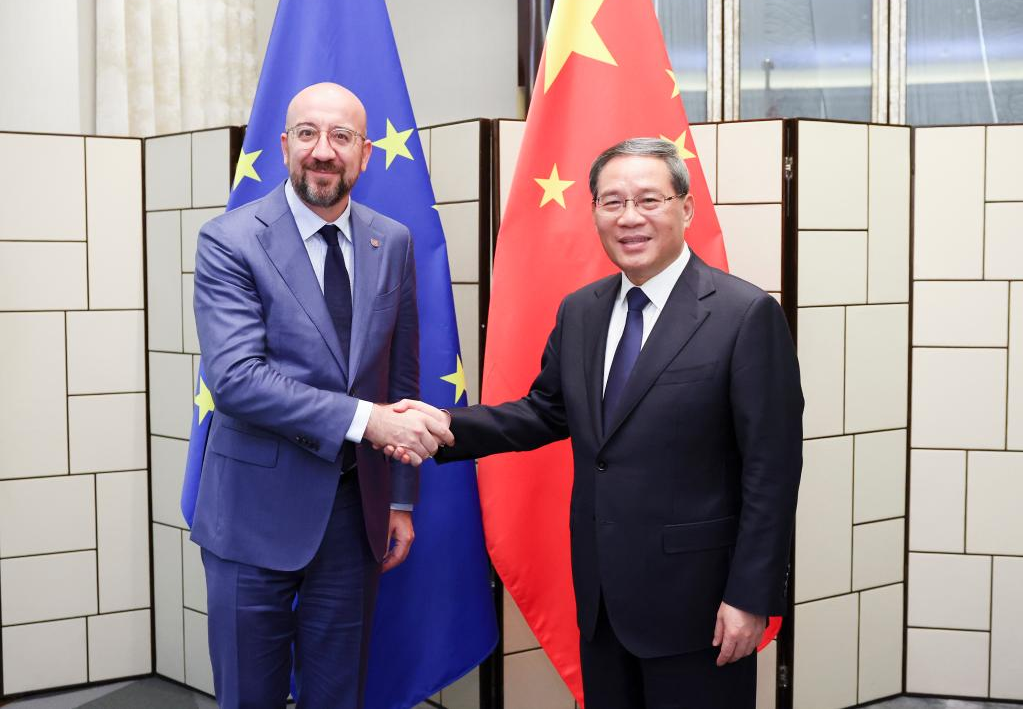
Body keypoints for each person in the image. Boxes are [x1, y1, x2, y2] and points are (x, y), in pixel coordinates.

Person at [391, 138, 803, 708]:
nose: (629, 217)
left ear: (686, 209)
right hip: (603, 601)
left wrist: (751, 597)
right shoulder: (581, 310)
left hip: (702, 607)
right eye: (611, 202)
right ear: (593, 213)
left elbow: (772, 472)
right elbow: (546, 411)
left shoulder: (745, 315)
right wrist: (441, 427)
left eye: (648, 199)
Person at [190, 82, 453, 709]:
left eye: (342, 137)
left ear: (365, 153)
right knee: (249, 697)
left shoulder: (392, 241)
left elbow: (402, 381)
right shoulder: (230, 240)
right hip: (251, 516)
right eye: (307, 133)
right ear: (284, 146)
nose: (323, 151)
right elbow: (235, 379)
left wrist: (401, 498)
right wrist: (367, 421)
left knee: (338, 696)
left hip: (351, 514)